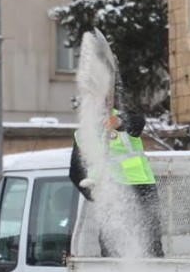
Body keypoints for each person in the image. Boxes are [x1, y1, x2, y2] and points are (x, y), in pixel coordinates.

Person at [69, 108, 164, 257]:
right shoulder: (82, 134)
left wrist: (120, 122)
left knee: (150, 236)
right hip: (109, 194)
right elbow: (75, 172)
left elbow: (137, 123)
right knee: (111, 239)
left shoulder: (120, 116)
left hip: (140, 187)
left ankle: (155, 271)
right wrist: (94, 194)